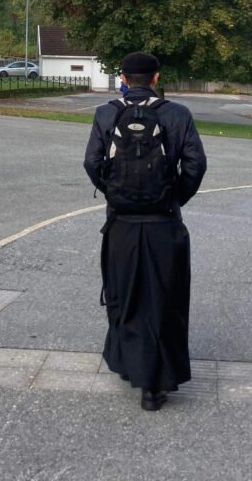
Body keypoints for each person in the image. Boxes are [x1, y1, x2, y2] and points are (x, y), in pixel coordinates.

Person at [84, 51, 207, 411]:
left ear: (123, 77)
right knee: (165, 300)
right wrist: (173, 199)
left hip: (121, 223)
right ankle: (157, 384)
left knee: (125, 295)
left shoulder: (107, 113)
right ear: (156, 77)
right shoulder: (177, 114)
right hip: (164, 224)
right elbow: (196, 164)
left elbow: (91, 162)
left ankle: (128, 366)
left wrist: (116, 195)